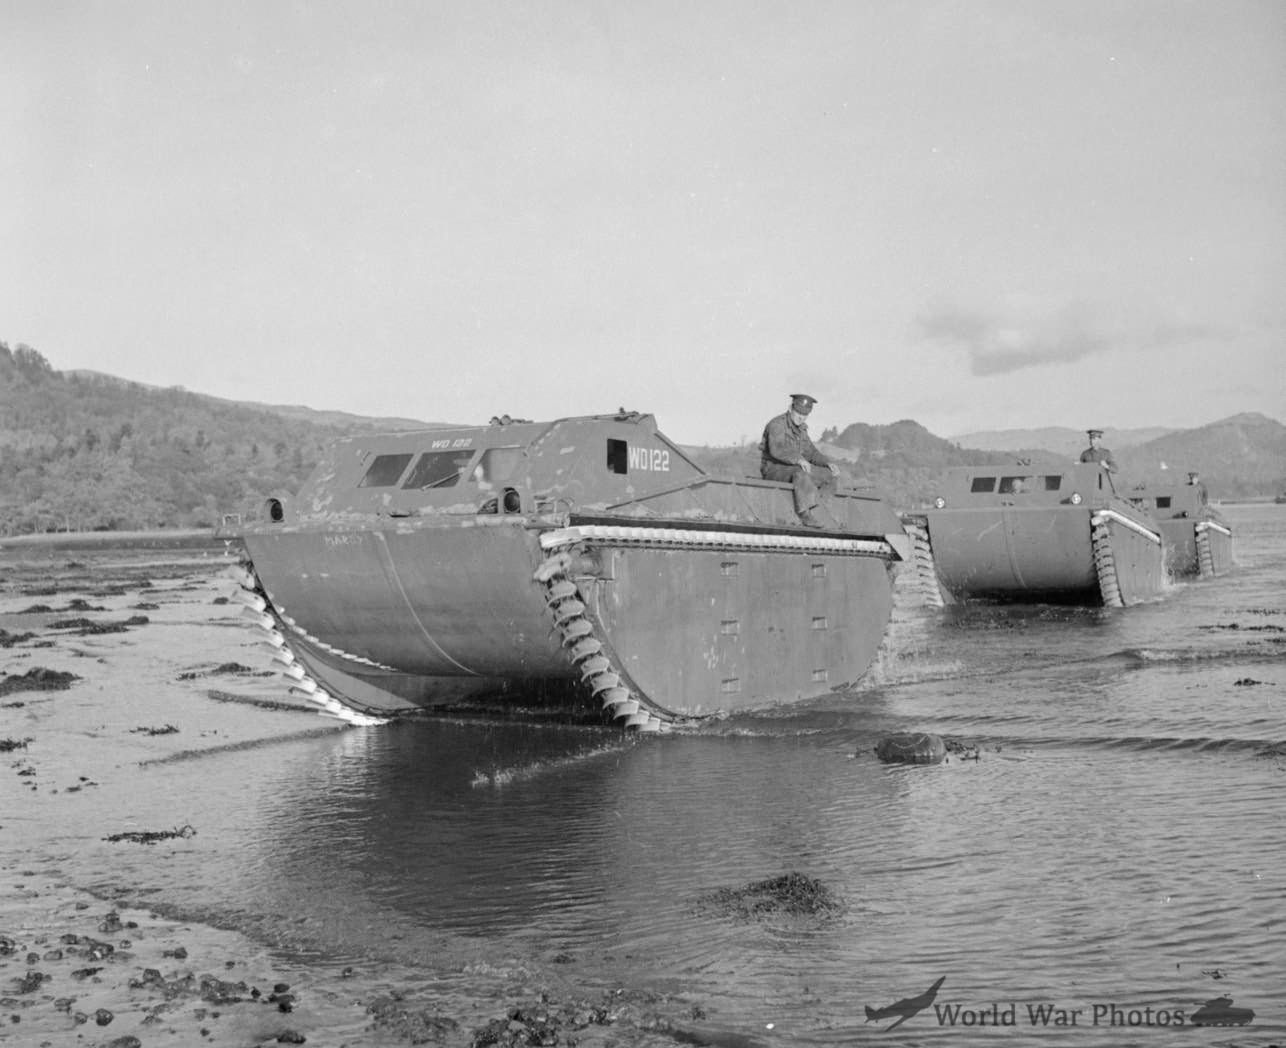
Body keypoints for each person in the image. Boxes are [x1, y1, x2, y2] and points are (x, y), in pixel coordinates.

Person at [759, 393, 840, 527]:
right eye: (798, 413)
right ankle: (804, 513)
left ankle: (819, 509)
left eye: (805, 415)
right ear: (791, 408)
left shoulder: (802, 430)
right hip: (773, 469)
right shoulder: (777, 425)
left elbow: (811, 452)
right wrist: (798, 459)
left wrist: (828, 463)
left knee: (829, 475)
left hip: (793, 469)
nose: (801, 417)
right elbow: (777, 449)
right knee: (800, 471)